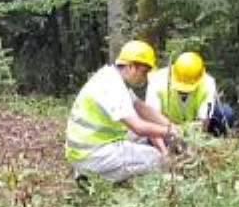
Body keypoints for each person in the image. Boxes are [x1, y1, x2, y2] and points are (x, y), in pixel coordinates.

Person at [65, 40, 180, 183]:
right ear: (131, 66)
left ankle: (95, 172)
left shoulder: (111, 77)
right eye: (144, 72)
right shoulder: (113, 87)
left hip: (86, 148)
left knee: (142, 140)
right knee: (155, 158)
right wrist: (171, 131)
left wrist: (169, 124)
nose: (145, 78)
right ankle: (93, 177)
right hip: (92, 153)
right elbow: (138, 127)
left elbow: (141, 107)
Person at [146, 51, 236, 137]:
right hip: (164, 126)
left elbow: (203, 122)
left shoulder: (208, 83)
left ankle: (215, 140)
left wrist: (192, 134)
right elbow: (151, 117)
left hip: (194, 126)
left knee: (226, 113)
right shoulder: (157, 80)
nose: (183, 91)